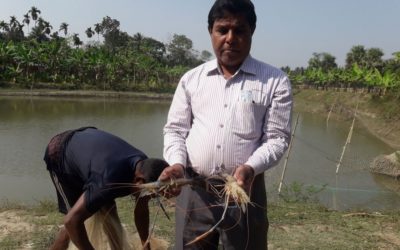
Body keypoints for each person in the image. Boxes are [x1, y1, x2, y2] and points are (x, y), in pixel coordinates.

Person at [160, 0, 293, 249]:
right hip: (194, 189)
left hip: (244, 192)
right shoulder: (191, 79)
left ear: (252, 31)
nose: (230, 38)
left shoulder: (275, 81)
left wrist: (250, 168)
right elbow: (175, 130)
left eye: (239, 30)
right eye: (222, 30)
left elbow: (277, 138)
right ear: (211, 32)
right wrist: (177, 165)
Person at [44, 127, 169, 250]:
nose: (146, 198)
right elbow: (71, 222)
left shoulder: (145, 167)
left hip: (91, 150)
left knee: (109, 214)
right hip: (61, 152)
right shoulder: (106, 182)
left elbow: (141, 210)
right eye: (148, 195)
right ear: (138, 181)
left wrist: (145, 245)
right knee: (73, 220)